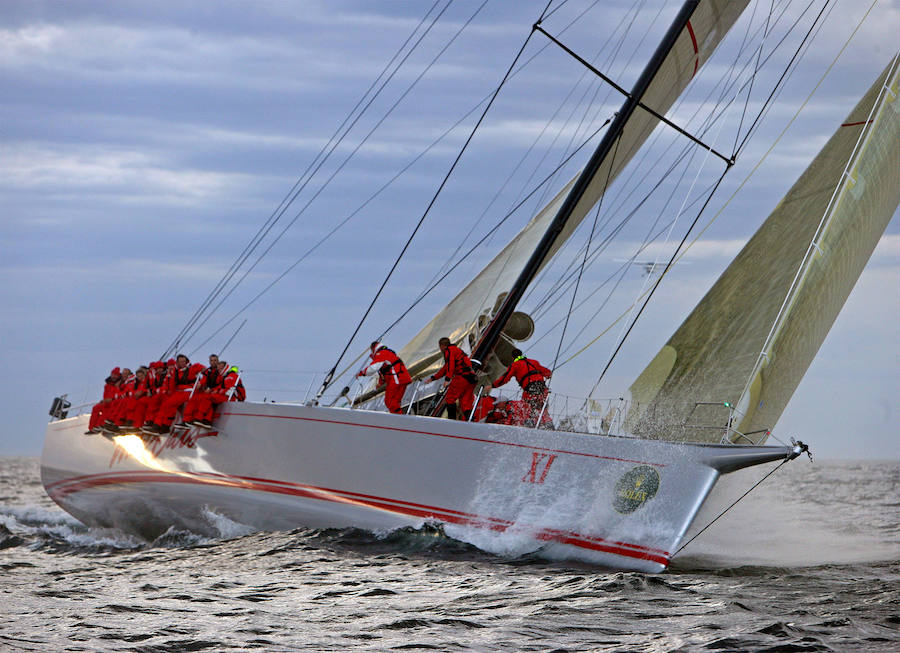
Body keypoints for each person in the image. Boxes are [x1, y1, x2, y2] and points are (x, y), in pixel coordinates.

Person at [143, 354, 202, 434]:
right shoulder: (175, 371)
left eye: (184, 361)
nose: (182, 363)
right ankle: (162, 425)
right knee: (166, 405)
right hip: (178, 392)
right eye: (180, 361)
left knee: (170, 404)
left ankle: (163, 425)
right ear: (177, 362)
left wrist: (201, 382)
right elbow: (171, 384)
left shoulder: (191, 368)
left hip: (188, 391)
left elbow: (203, 369)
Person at [184, 362, 246, 428]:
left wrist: (216, 391)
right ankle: (206, 420)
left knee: (207, 397)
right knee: (207, 397)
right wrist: (212, 390)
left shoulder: (232, 375)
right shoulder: (225, 376)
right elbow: (220, 386)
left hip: (231, 397)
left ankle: (199, 418)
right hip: (225, 396)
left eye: (220, 369)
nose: (218, 370)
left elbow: (226, 388)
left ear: (224, 368)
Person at [428, 337, 476, 420]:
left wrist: (447, 379)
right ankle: (471, 420)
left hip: (462, 377)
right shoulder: (456, 350)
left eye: (440, 347)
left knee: (450, 398)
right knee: (465, 402)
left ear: (442, 346)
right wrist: (433, 378)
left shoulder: (449, 351)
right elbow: (445, 368)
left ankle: (451, 420)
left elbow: (451, 365)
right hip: (472, 378)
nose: (440, 349)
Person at [357, 342, 411, 414]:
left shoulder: (381, 353)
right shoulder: (387, 353)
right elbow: (385, 372)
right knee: (395, 401)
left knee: (389, 400)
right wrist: (380, 383)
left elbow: (373, 368)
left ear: (374, 348)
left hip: (397, 378)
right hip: (402, 378)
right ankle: (399, 417)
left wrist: (362, 373)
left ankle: (398, 417)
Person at [86, 367, 122, 434]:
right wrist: (104, 400)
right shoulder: (107, 385)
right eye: (113, 374)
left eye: (116, 375)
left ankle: (100, 425)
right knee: (95, 408)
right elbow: (105, 395)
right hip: (107, 402)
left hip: (114, 402)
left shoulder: (120, 384)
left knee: (107, 409)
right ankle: (92, 428)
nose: (114, 376)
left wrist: (112, 399)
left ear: (118, 376)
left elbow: (120, 394)